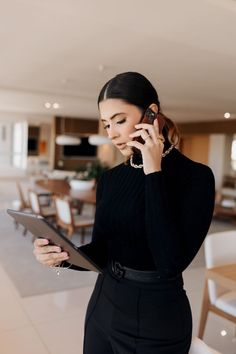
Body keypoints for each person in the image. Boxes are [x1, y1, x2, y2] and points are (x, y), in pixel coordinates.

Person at [33, 72, 215, 354]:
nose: (111, 133)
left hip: (157, 316)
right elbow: (103, 251)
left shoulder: (196, 178)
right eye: (106, 124)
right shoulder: (110, 179)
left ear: (151, 115)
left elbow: (169, 262)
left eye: (119, 120)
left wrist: (153, 171)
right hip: (104, 300)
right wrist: (62, 257)